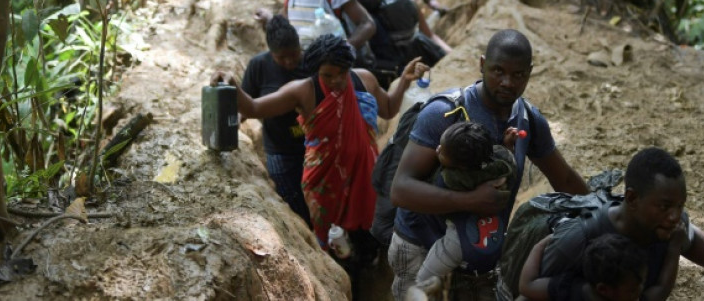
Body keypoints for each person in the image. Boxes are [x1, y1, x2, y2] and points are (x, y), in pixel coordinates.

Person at [388, 29, 589, 300]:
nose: (507, 82)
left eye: (518, 75)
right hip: (420, 243)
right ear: (482, 65)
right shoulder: (444, 113)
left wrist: (603, 214)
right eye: (498, 71)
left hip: (474, 247)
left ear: (529, 73)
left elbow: (563, 179)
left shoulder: (527, 120)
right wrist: (471, 200)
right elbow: (400, 190)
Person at [218, 35, 429, 293]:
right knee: (331, 242)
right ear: (316, 71)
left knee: (367, 232)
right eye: (328, 75)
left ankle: (366, 274)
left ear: (350, 67)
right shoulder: (303, 90)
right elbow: (253, 107)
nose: (336, 81)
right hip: (324, 182)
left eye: (341, 73)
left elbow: (387, 108)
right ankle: (341, 282)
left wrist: (404, 82)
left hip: (364, 173)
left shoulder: (364, 79)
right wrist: (232, 86)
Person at [518, 147, 704, 301]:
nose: (676, 216)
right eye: (665, 206)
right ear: (632, 198)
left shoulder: (667, 227)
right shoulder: (578, 238)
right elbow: (528, 293)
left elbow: (693, 238)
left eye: (680, 206)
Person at [411, 121, 520, 290]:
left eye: (443, 152)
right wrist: (507, 145)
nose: (438, 149)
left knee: (422, 282)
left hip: (458, 241)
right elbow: (506, 158)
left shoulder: (450, 180)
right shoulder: (502, 163)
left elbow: (428, 194)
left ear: (460, 166)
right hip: (494, 234)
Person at [239, 15, 310, 226]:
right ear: (271, 52)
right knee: (293, 201)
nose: (289, 62)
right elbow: (245, 104)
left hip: (315, 146)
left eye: (294, 55)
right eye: (282, 57)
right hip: (280, 148)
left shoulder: (312, 63)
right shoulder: (258, 66)